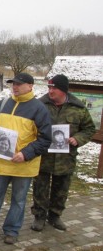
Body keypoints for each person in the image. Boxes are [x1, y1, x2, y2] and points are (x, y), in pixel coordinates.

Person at [0, 73, 51, 244]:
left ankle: (12, 231)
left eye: (19, 84)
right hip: (0, 162)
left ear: (30, 86)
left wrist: (25, 154)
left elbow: (45, 138)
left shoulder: (39, 108)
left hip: (24, 165)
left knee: (19, 200)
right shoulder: (4, 103)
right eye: (13, 83)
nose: (15, 87)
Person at [30, 74, 95, 232]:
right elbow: (29, 125)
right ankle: (39, 216)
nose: (50, 91)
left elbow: (89, 128)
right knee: (40, 187)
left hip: (66, 158)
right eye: (49, 87)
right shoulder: (40, 105)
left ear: (63, 90)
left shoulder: (78, 108)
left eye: (54, 88)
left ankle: (55, 215)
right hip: (43, 155)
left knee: (61, 189)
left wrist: (77, 139)